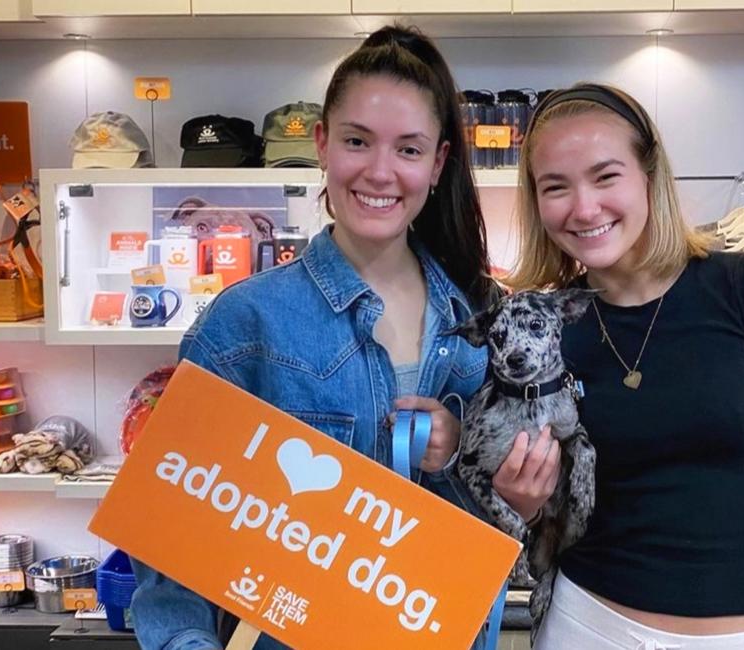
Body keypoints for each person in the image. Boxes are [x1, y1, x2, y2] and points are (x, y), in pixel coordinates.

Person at [129, 25, 501, 650]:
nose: (380, 172)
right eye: (358, 141)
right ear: (323, 144)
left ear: (437, 164)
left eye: (409, 150)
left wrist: (464, 449)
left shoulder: (478, 319)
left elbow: (501, 523)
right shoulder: (245, 324)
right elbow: (170, 545)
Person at [498, 82, 744, 650]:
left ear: (649, 174)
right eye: (556, 187)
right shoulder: (549, 328)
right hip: (582, 625)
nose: (584, 207)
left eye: (605, 176)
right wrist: (523, 502)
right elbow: (555, 512)